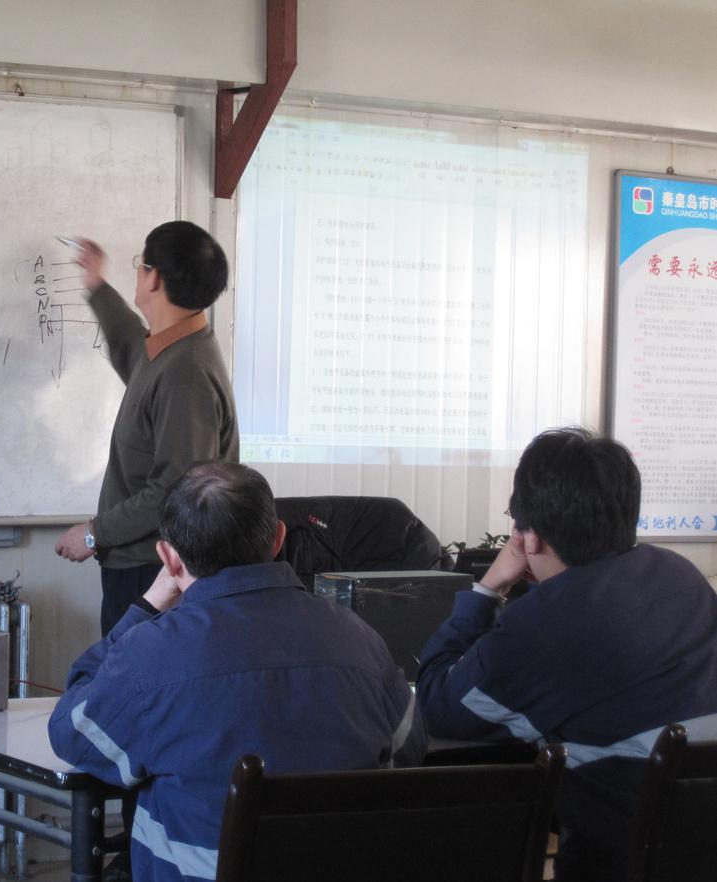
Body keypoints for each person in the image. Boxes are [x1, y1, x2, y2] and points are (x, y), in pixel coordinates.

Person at [49, 461, 426, 882]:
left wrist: (146, 605)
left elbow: (72, 733)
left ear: (168, 557)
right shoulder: (359, 637)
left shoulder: (151, 653)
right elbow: (409, 749)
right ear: (279, 537)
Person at [415, 427, 717, 882]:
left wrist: (488, 588)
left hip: (615, 860)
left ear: (528, 537)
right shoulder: (680, 575)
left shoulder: (544, 623)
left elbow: (437, 705)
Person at [53, 221, 238, 637]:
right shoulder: (170, 347)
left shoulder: (185, 373)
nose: (138, 273)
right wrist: (96, 283)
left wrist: (93, 535)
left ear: (153, 278)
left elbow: (176, 491)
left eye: (141, 264)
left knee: (132, 675)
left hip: (156, 576)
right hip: (143, 566)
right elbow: (132, 346)